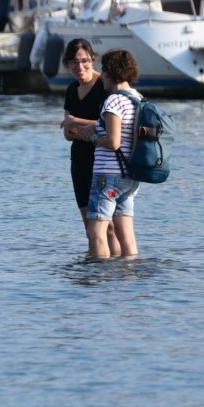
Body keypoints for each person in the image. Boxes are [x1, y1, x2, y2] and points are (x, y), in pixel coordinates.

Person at [88, 48, 143, 260]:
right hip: (129, 177)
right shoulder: (137, 98)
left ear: (111, 72)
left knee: (96, 232)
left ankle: (101, 278)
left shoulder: (114, 101)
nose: (100, 76)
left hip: (108, 176)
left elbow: (113, 141)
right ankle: (129, 274)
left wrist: (92, 138)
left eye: (103, 70)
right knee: (126, 234)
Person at [58, 38, 110, 247]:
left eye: (84, 61)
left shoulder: (102, 86)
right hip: (79, 160)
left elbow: (110, 124)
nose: (80, 67)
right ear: (67, 65)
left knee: (108, 226)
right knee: (89, 226)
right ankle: (91, 270)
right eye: (74, 63)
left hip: (103, 160)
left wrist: (77, 123)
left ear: (93, 59)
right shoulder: (71, 90)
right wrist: (79, 130)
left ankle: (112, 269)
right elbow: (67, 133)